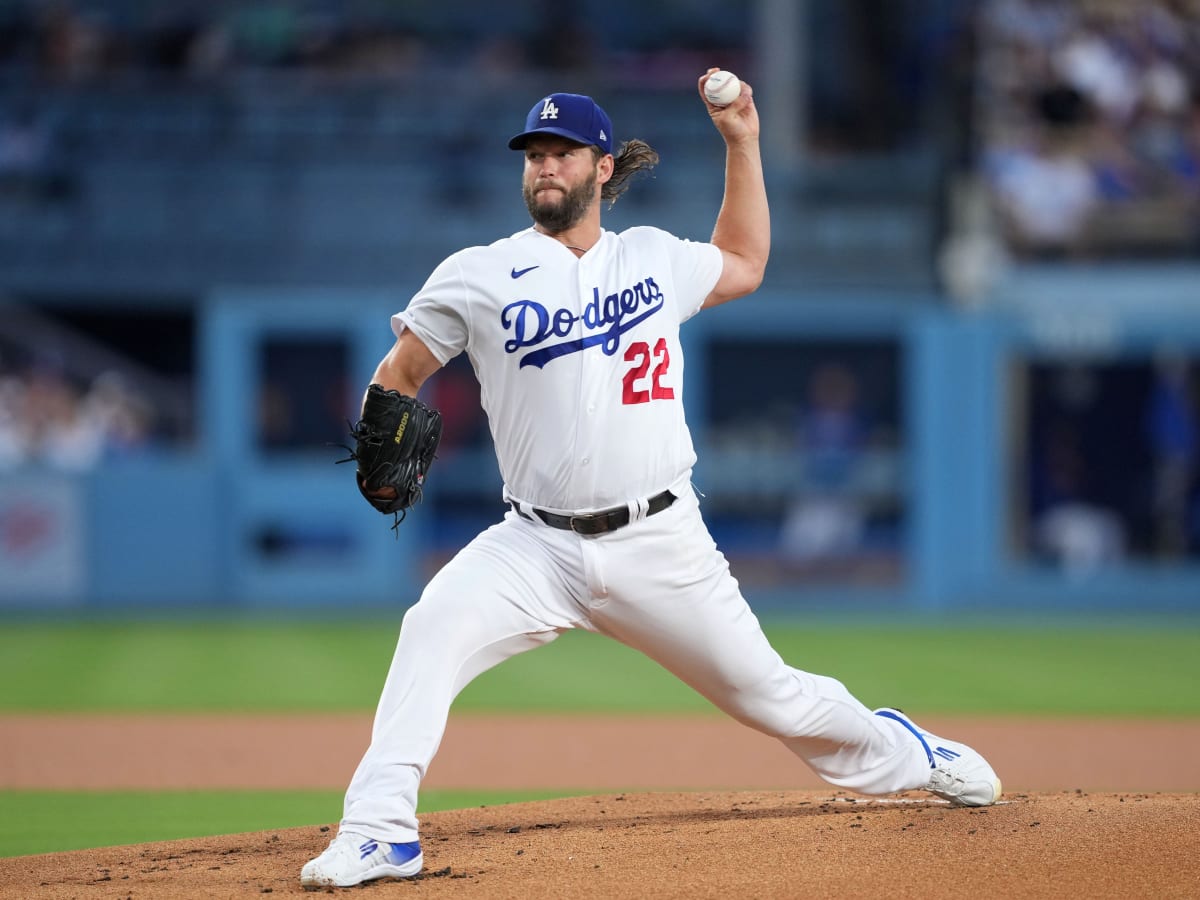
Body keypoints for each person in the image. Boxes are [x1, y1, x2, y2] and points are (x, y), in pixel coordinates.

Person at [300, 71, 1002, 889]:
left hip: (659, 540)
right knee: (430, 630)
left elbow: (744, 260)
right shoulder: (477, 274)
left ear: (603, 168)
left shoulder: (654, 259)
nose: (544, 167)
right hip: (533, 544)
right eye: (533, 154)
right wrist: (382, 420)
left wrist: (742, 139)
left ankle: (904, 753)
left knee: (771, 696)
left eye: (562, 152)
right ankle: (381, 832)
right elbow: (402, 369)